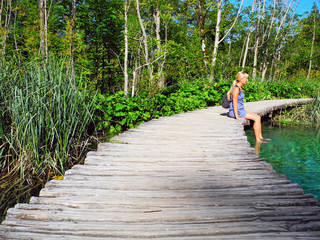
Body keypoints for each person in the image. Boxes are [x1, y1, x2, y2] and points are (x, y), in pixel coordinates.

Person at [227, 71, 269, 143]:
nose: (247, 80)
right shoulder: (236, 89)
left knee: (258, 117)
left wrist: (244, 110)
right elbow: (234, 103)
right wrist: (237, 116)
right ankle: (258, 140)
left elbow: (239, 102)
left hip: (240, 110)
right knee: (256, 118)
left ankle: (260, 137)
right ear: (241, 79)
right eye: (246, 78)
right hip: (236, 112)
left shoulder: (240, 88)